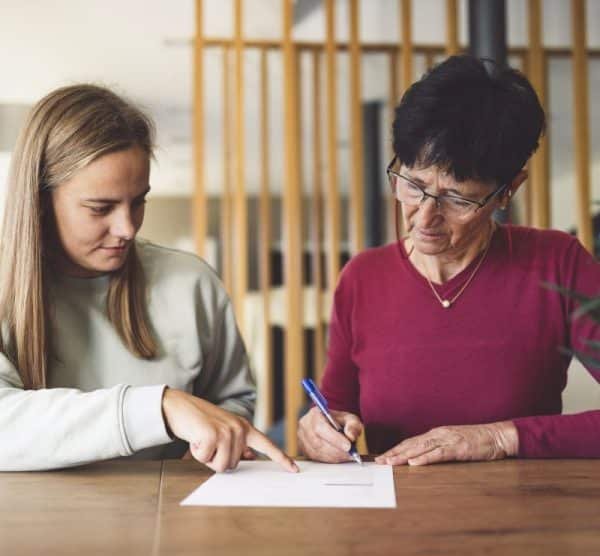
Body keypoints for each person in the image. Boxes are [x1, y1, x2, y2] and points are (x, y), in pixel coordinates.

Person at [298, 55, 600, 466]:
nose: (424, 217)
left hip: (525, 520)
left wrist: (499, 437)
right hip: (392, 519)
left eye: (457, 199)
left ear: (509, 190)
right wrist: (319, 429)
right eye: (413, 185)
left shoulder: (558, 264)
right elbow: (335, 414)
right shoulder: (362, 279)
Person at [0, 84, 297, 474]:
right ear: (39, 200)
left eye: (139, 201)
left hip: (171, 518)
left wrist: (217, 438)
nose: (127, 228)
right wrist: (159, 406)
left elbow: (232, 400)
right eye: (101, 208)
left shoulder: (191, 282)